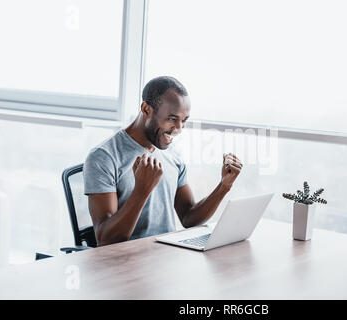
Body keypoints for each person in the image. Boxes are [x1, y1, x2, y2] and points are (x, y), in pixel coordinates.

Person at [83, 76, 243, 246]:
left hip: (167, 255)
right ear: (146, 109)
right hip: (124, 262)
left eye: (184, 121)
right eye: (172, 119)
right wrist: (141, 190)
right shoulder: (104, 157)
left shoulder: (172, 155)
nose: (179, 129)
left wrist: (223, 186)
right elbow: (105, 239)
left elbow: (189, 217)